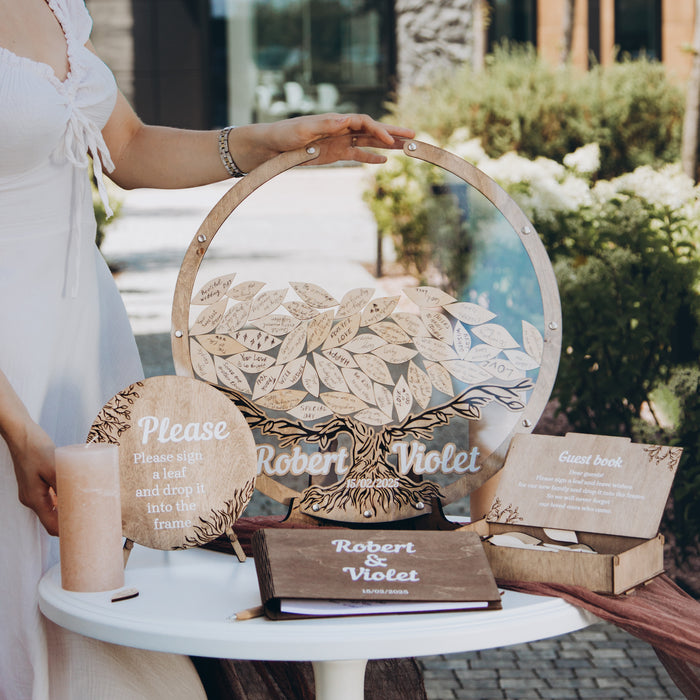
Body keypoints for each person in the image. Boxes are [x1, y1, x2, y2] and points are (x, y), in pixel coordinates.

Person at [0, 0, 415, 697]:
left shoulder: (56, 4)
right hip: (9, 372)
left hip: (81, 346)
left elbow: (126, 147)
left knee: (99, 598)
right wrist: (15, 426)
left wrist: (273, 141)